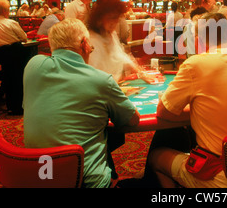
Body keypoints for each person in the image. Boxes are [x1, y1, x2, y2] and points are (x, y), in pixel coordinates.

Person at [147, 12, 227, 188]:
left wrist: (194, 114)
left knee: (156, 156)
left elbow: (163, 111)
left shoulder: (195, 64)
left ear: (198, 40)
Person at [23, 18, 140, 188]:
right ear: (85, 44)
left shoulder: (32, 66)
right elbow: (132, 120)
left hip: (41, 177)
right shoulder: (101, 80)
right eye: (91, 48)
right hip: (85, 183)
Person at [87, 0, 152, 83]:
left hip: (112, 86)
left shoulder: (111, 35)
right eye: (110, 18)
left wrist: (141, 73)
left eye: (116, 18)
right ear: (99, 18)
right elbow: (94, 74)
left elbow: (121, 57)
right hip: (102, 89)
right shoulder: (91, 40)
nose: (114, 23)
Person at [0, 0, 29, 115]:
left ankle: (10, 106)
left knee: (8, 79)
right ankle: (20, 107)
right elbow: (24, 37)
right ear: (6, 11)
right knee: (18, 80)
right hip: (16, 52)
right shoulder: (11, 23)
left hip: (2, 54)